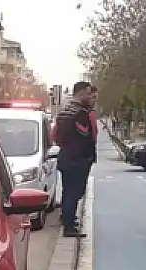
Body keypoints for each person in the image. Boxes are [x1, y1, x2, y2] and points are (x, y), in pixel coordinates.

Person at [54, 81, 96, 238]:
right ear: (81, 94)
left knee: (67, 191)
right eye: (88, 93)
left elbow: (57, 135)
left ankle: (68, 220)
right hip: (76, 159)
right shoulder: (80, 114)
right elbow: (84, 136)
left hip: (65, 156)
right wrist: (87, 157)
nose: (89, 96)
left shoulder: (64, 111)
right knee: (74, 192)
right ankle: (69, 227)